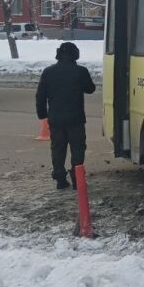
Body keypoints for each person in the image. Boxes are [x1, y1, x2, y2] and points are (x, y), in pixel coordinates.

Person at [36, 42, 96, 189]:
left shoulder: (48, 72)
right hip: (76, 118)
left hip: (55, 119)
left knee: (58, 148)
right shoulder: (80, 71)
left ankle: (60, 178)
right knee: (78, 149)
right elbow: (90, 89)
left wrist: (42, 114)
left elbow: (40, 96)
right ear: (75, 54)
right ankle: (77, 179)